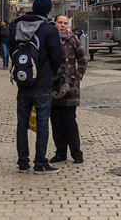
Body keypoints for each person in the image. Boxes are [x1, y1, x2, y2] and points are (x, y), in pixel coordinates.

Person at [10, 0, 63, 174]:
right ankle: (40, 163)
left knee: (22, 123)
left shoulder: (18, 25)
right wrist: (50, 73)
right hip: (42, 84)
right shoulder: (49, 29)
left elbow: (11, 51)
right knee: (42, 123)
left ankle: (22, 163)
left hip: (23, 83)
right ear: (48, 11)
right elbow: (57, 57)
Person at [50, 14, 88, 164]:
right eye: (60, 22)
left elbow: (83, 60)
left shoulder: (73, 40)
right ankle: (60, 153)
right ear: (55, 24)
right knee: (56, 122)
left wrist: (76, 77)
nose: (63, 25)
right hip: (54, 86)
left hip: (70, 87)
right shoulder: (51, 40)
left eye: (65, 23)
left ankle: (76, 153)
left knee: (69, 121)